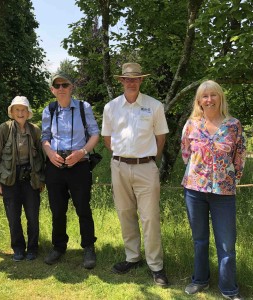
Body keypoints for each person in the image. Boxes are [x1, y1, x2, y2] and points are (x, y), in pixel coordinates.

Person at [101, 62, 169, 286]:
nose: (131, 82)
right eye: (127, 79)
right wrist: (123, 156)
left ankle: (156, 266)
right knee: (125, 213)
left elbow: (160, 137)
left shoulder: (154, 106)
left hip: (146, 167)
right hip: (119, 166)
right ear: (121, 81)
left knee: (150, 217)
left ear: (141, 80)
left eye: (136, 78)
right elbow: (107, 138)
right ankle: (132, 257)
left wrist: (148, 159)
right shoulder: (111, 107)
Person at [180, 80, 246, 300]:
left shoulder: (233, 125)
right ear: (199, 100)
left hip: (224, 193)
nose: (209, 100)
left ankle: (228, 289)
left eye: (213, 95)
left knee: (226, 244)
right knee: (199, 240)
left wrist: (229, 179)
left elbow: (240, 157)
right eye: (204, 96)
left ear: (220, 98)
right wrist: (198, 176)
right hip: (194, 191)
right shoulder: (191, 124)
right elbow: (185, 153)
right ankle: (199, 280)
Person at [41, 72, 99, 269]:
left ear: (71, 87)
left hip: (79, 164)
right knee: (57, 209)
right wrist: (49, 153)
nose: (61, 89)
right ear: (52, 90)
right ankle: (58, 247)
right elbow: (45, 137)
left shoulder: (84, 108)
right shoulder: (49, 110)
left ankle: (89, 247)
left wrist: (81, 152)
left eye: (64, 85)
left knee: (83, 207)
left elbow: (94, 134)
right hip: (55, 165)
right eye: (57, 86)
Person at [0, 96, 45, 262]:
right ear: (12, 112)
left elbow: (42, 158)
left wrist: (41, 180)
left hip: (31, 179)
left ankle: (33, 248)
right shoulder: (4, 129)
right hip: (9, 179)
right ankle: (18, 248)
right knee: (13, 217)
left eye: (23, 110)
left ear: (28, 113)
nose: (20, 113)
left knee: (32, 216)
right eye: (17, 110)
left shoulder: (35, 130)